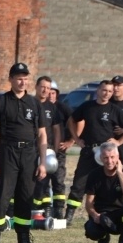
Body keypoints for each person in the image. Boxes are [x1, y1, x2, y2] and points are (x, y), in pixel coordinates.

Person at [0, 62, 48, 243]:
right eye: (19, 78)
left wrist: (43, 162)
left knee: (25, 198)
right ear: (11, 79)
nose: (23, 81)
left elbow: (42, 135)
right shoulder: (0, 102)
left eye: (25, 78)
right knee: (2, 197)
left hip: (29, 155)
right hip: (7, 153)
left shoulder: (34, 103)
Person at [64, 80, 123, 225]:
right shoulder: (87, 106)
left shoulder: (114, 109)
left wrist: (119, 142)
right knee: (78, 183)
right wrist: (76, 138)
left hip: (106, 154)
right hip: (89, 151)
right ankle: (68, 216)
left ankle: (111, 213)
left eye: (109, 91)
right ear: (98, 90)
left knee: (107, 184)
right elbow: (71, 120)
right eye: (104, 90)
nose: (106, 93)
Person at [83, 142, 123, 243]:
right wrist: (95, 216)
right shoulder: (94, 175)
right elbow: (89, 203)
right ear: (101, 158)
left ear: (118, 157)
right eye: (105, 158)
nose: (109, 161)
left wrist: (119, 173)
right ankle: (103, 241)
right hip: (103, 214)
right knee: (92, 231)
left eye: (112, 157)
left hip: (121, 214)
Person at [31, 76, 61, 218]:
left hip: (46, 148)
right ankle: (30, 207)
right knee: (29, 179)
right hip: (30, 148)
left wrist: (54, 150)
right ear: (36, 87)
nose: (45, 90)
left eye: (48, 88)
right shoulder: (28, 103)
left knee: (44, 180)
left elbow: (56, 130)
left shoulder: (52, 107)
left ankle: (47, 207)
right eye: (43, 87)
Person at [49, 80, 74, 218]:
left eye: (53, 93)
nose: (50, 95)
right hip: (43, 150)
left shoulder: (63, 108)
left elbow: (77, 123)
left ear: (57, 94)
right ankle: (44, 209)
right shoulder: (39, 106)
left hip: (59, 151)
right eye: (48, 92)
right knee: (41, 182)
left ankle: (58, 210)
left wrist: (71, 141)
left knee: (58, 180)